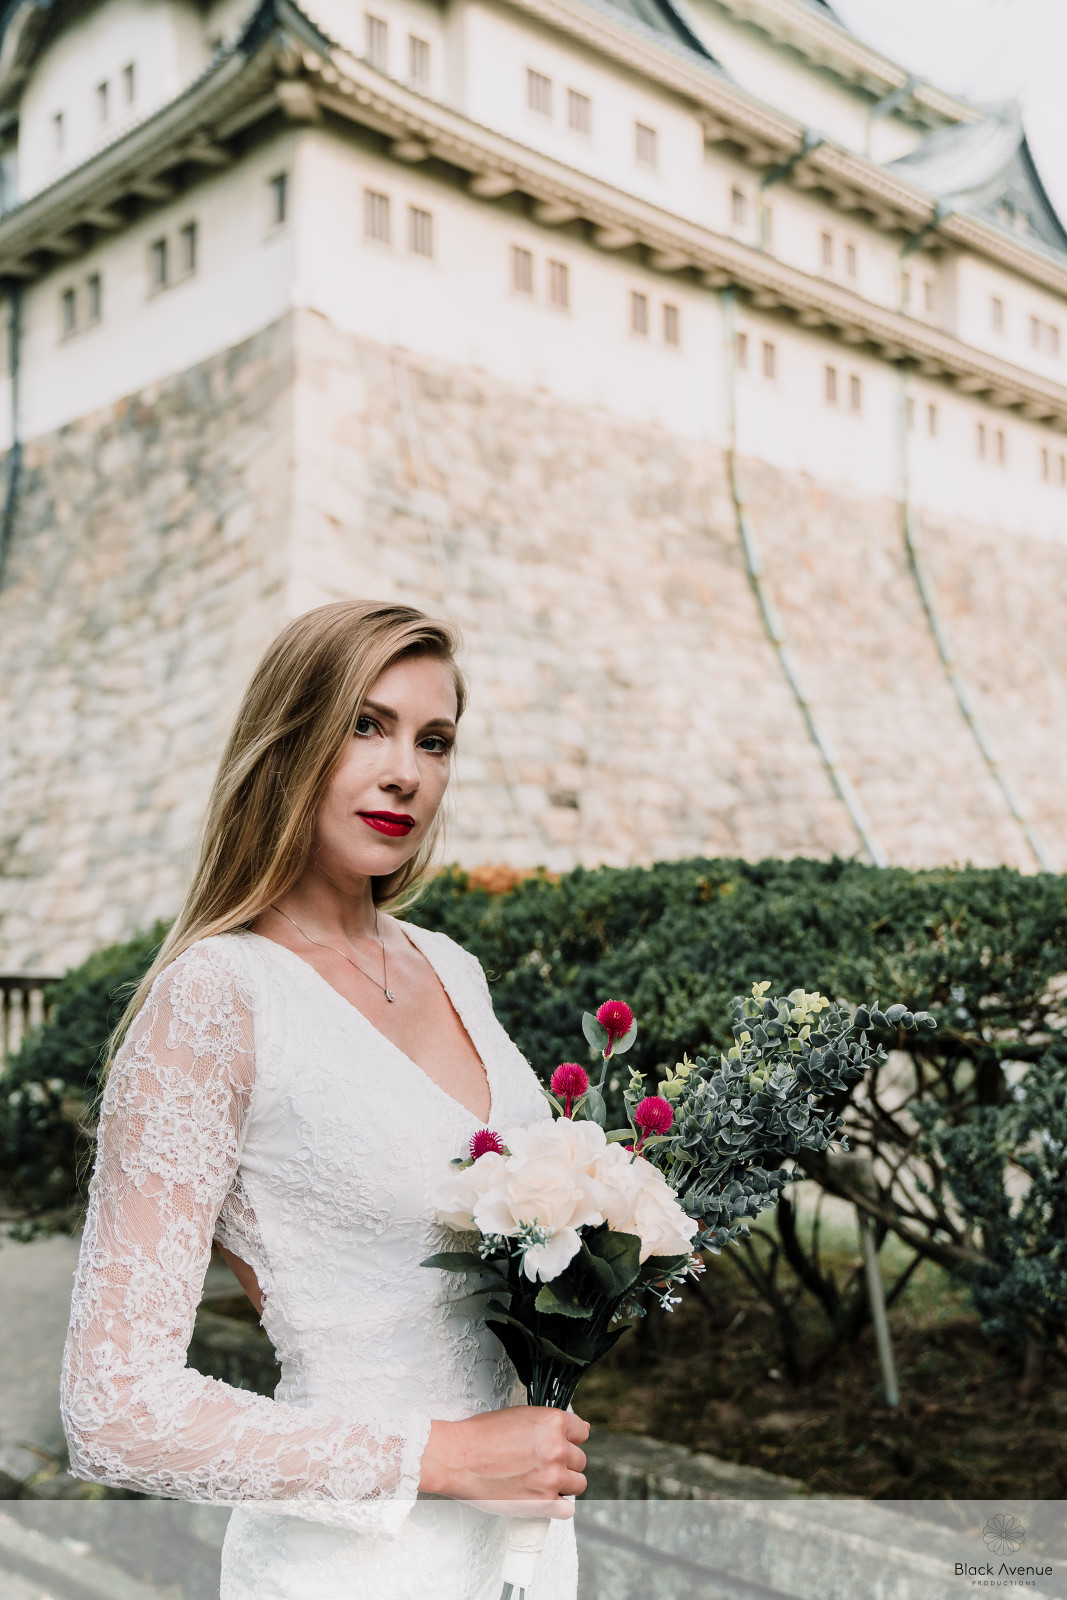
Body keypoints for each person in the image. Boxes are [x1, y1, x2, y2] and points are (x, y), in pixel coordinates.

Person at [60, 600, 587, 1599]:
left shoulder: (451, 967)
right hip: (350, 1564)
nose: (405, 772)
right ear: (288, 739)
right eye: (365, 725)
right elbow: (113, 1408)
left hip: (521, 1545)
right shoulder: (216, 996)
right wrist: (441, 1459)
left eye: (433, 741)